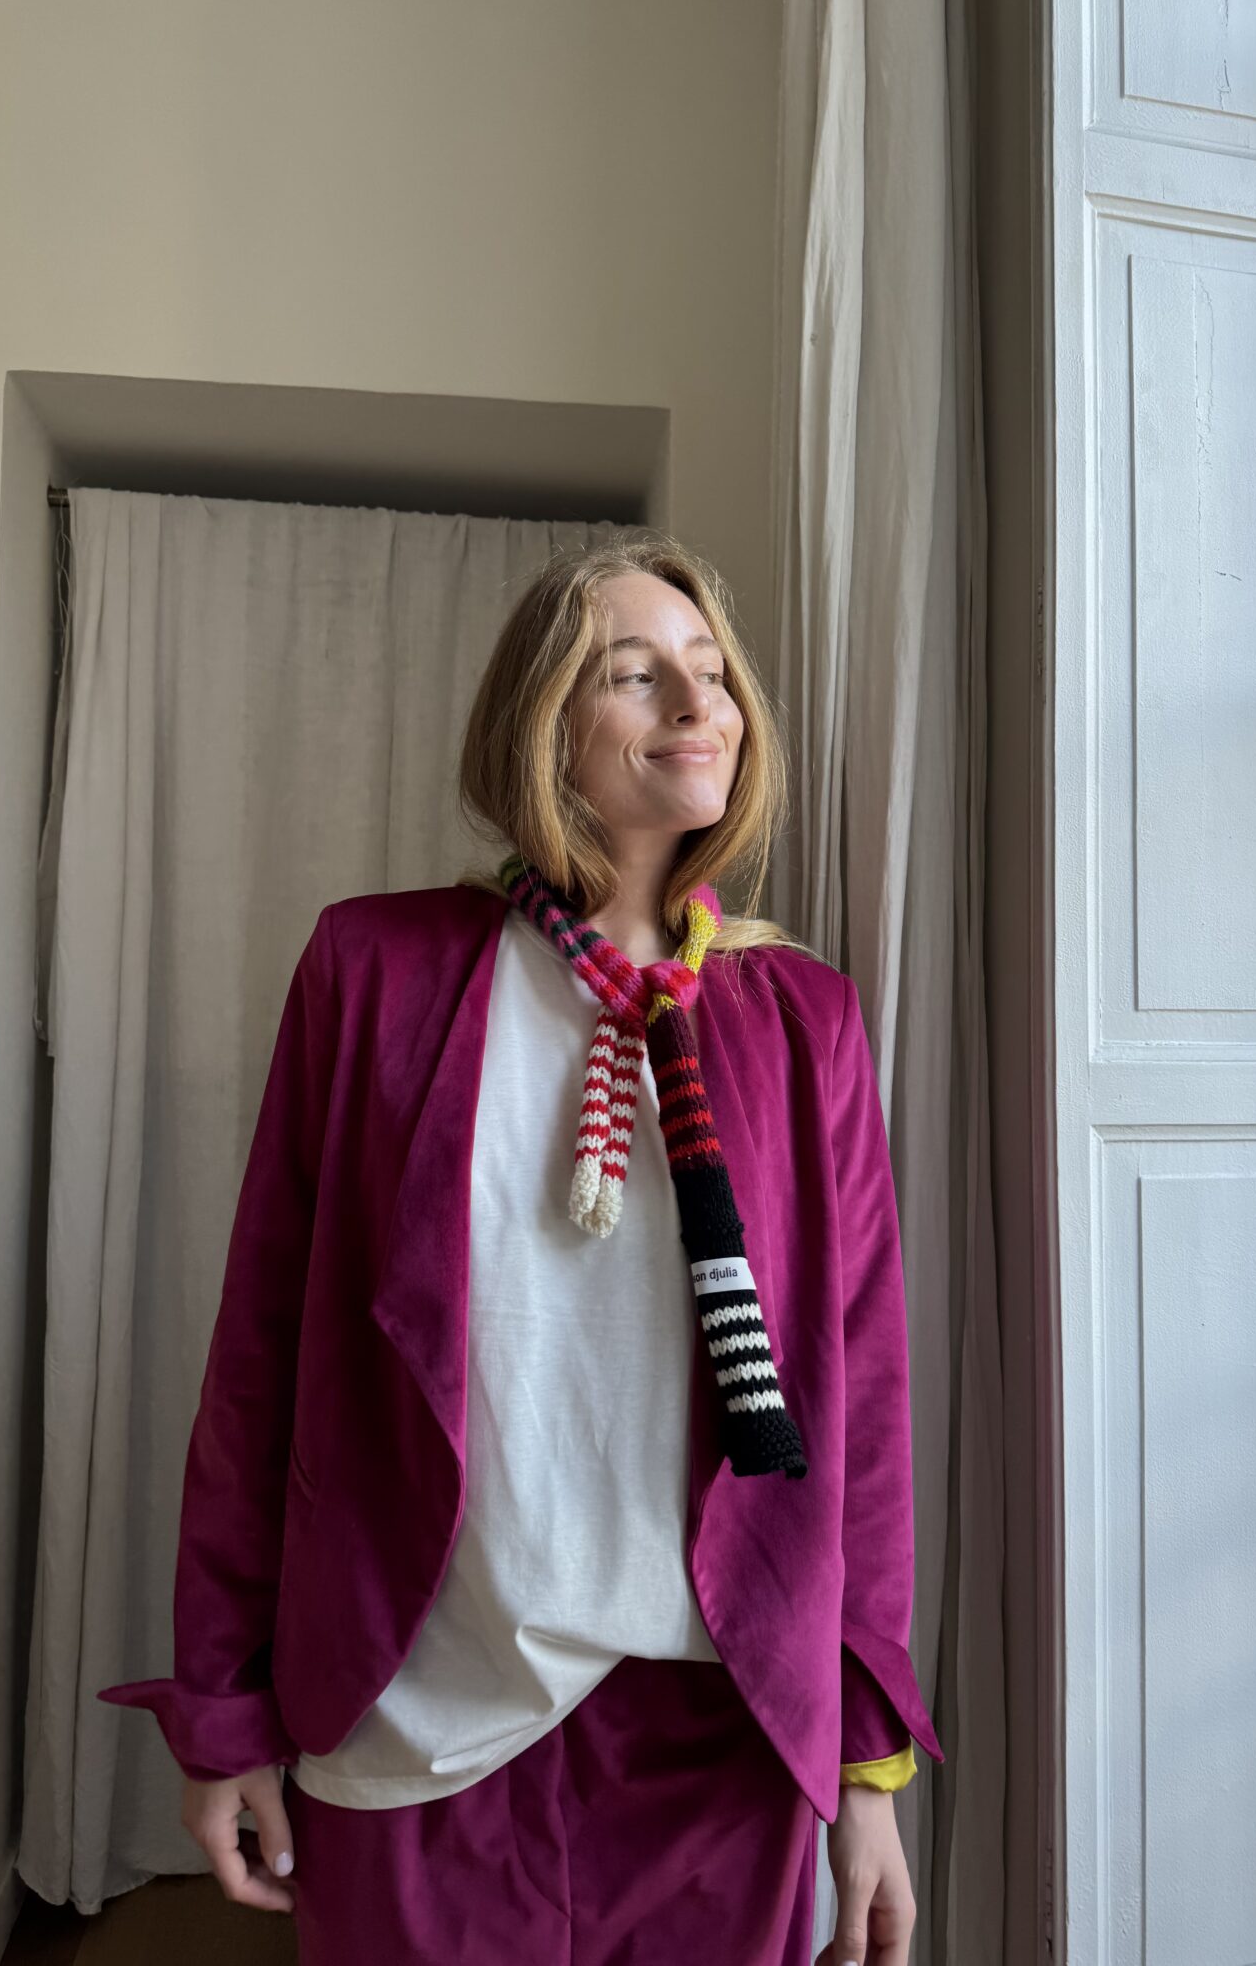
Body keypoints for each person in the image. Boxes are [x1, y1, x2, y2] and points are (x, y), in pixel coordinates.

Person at [100, 533, 943, 1965]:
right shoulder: (374, 971)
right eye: (637, 673)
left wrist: (866, 1769)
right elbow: (261, 1363)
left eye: (713, 671)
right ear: (545, 724)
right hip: (417, 1711)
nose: (701, 703)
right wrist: (226, 1711)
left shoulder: (807, 1022)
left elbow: (859, 1401)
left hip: (719, 1734)